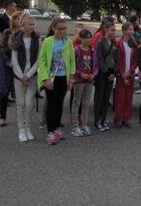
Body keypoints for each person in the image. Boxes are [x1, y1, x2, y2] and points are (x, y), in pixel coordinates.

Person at [38, 18, 76, 146]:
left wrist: (71, 78)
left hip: (63, 77)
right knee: (52, 105)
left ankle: (56, 128)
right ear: (53, 28)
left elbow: (72, 61)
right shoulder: (48, 41)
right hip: (51, 78)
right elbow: (42, 61)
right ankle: (50, 131)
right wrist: (45, 78)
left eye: (64, 28)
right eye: (59, 29)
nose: (62, 31)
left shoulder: (68, 42)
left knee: (60, 104)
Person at [10, 13, 39, 142]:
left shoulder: (37, 39)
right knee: (20, 103)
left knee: (29, 103)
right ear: (23, 25)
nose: (32, 27)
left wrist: (29, 74)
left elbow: (39, 59)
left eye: (33, 24)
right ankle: (21, 129)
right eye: (29, 24)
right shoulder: (16, 39)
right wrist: (22, 76)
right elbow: (14, 60)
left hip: (31, 76)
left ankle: (28, 128)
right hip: (19, 77)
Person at [72, 28, 98, 137]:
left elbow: (96, 65)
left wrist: (94, 74)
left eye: (89, 38)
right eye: (85, 38)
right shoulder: (76, 50)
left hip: (89, 81)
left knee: (86, 103)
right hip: (79, 81)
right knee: (77, 102)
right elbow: (72, 65)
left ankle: (84, 124)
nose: (88, 41)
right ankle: (75, 125)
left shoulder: (93, 51)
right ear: (81, 38)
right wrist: (79, 74)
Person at [94, 21, 118, 131]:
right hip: (102, 74)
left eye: (114, 30)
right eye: (111, 30)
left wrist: (114, 73)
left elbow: (117, 59)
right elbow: (99, 59)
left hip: (111, 74)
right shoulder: (100, 42)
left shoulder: (114, 43)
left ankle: (103, 119)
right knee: (99, 97)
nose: (113, 32)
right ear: (106, 30)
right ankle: (97, 120)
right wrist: (107, 72)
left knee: (106, 98)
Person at [114, 22, 137, 128]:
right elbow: (118, 60)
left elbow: (135, 61)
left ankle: (126, 118)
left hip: (130, 75)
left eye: (132, 29)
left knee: (129, 97)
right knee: (120, 98)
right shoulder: (119, 44)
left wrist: (130, 72)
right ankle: (118, 118)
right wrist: (122, 73)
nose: (132, 31)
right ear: (124, 31)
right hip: (121, 75)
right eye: (129, 29)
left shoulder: (134, 44)